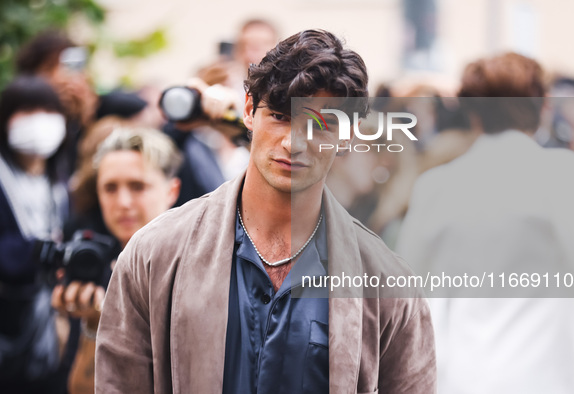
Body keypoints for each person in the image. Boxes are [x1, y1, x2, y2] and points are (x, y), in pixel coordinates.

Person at [95, 29, 436, 393]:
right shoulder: (157, 253)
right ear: (247, 110)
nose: (294, 143)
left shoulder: (386, 283)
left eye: (322, 125)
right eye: (279, 115)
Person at [396, 53, 574, 393]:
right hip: (547, 375)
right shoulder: (563, 174)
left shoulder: (436, 185)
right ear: (542, 106)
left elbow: (409, 294)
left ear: (473, 112)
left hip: (458, 376)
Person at [51, 127, 182, 393]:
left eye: (138, 186)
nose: (123, 202)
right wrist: (92, 324)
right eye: (110, 188)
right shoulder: (94, 268)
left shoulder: (196, 266)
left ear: (172, 190)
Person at [0, 76, 69, 393]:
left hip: (53, 326)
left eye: (46, 109)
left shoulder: (59, 179)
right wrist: (40, 252)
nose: (38, 121)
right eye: (25, 111)